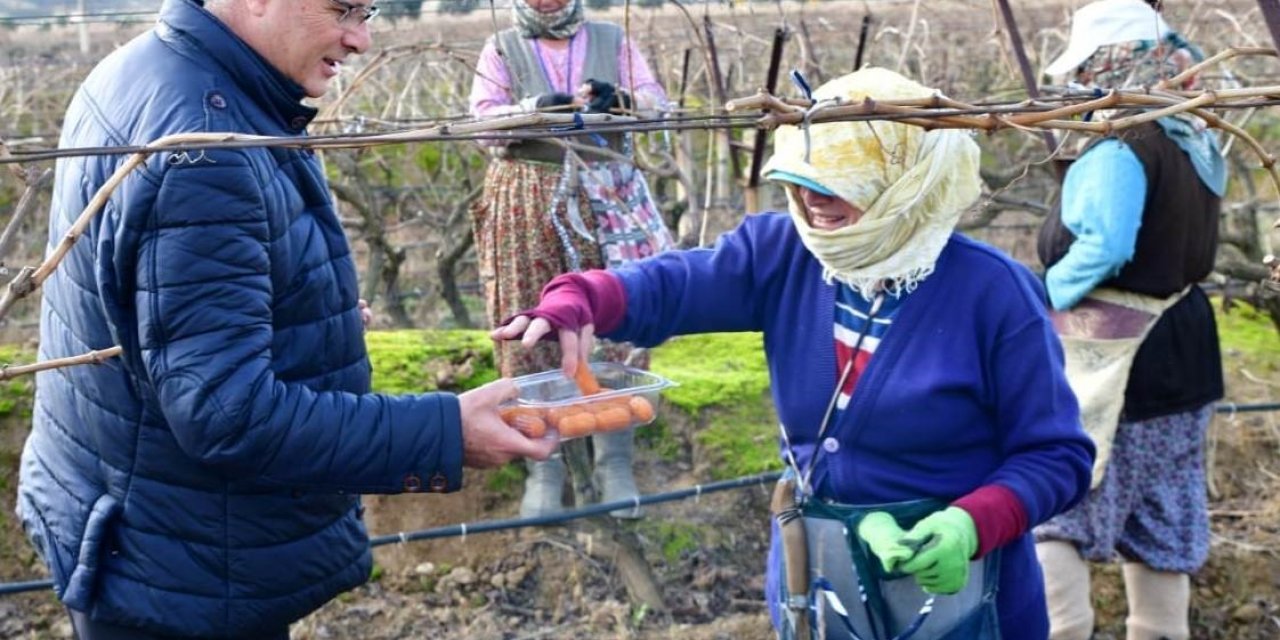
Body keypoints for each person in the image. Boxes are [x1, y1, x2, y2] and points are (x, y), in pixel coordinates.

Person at [493, 67, 1095, 639]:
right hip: (822, 587)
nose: (814, 203)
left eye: (840, 186)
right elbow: (675, 285)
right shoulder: (785, 255)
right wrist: (581, 297)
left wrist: (971, 524)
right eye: (802, 182)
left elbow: (1057, 454)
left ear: (909, 182)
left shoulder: (993, 294)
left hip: (962, 597)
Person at [17, 0, 557, 638]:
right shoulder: (206, 147)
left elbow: (153, 315)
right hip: (181, 569)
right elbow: (228, 413)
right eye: (344, 9)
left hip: (139, 522)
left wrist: (303, 306)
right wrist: (446, 431)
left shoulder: (144, 71)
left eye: (371, 11)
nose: (360, 39)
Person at [1033, 1, 1226, 639]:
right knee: (1162, 516)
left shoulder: (1120, 141)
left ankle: (1064, 632)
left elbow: (1107, 246)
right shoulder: (1190, 131)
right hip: (1187, 344)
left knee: (1061, 502)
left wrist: (1043, 296)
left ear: (1100, 64)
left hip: (1114, 349)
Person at [468, 0, 676, 519]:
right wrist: (537, 107)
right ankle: (545, 465)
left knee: (616, 316)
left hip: (608, 192)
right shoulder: (501, 46)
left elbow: (658, 105)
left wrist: (622, 101)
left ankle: (614, 460)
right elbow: (482, 125)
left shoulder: (611, 39)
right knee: (528, 318)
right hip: (526, 199)